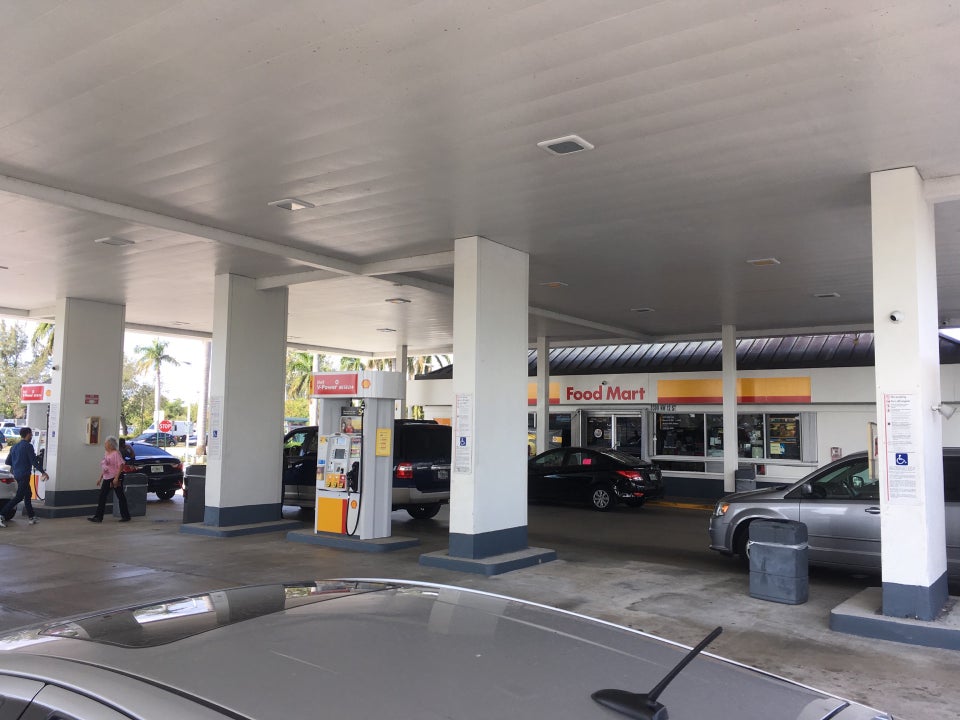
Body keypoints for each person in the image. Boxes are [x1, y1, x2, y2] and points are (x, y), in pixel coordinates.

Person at [1, 427, 48, 528]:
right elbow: (34, 462)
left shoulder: (14, 447)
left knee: (28, 494)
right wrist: (43, 472)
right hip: (24, 475)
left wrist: (17, 463)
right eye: (31, 434)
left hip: (17, 475)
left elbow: (8, 461)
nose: (32, 436)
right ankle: (1, 515)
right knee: (19, 497)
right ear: (28, 434)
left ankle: (32, 517)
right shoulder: (28, 446)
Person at [88, 436, 131, 523]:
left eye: (106, 443)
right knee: (102, 496)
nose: (105, 445)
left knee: (120, 496)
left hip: (115, 477)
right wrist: (100, 478)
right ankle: (98, 517)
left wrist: (116, 478)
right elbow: (105, 467)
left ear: (110, 445)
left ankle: (126, 516)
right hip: (107, 477)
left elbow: (121, 465)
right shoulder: (107, 453)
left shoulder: (116, 453)